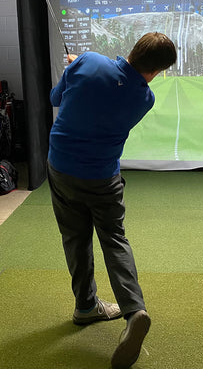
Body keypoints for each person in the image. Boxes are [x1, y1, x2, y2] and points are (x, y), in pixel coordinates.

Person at [47, 32, 177, 369]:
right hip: (103, 178)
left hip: (62, 167)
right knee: (114, 238)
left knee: (75, 237)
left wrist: (72, 70)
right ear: (157, 72)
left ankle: (85, 306)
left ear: (133, 49)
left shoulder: (89, 61)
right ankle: (134, 310)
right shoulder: (144, 98)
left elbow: (55, 97)